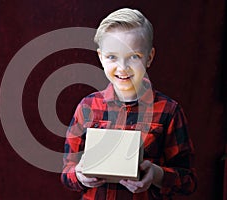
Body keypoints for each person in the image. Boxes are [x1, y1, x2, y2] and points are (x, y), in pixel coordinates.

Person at [61, 8, 197, 200]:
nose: (122, 67)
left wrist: (157, 175)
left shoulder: (169, 111)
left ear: (149, 57)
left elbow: (189, 180)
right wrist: (80, 175)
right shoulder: (87, 107)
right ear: (101, 57)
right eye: (112, 57)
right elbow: (67, 172)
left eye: (134, 57)